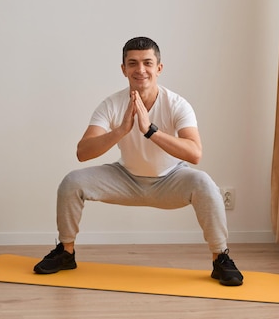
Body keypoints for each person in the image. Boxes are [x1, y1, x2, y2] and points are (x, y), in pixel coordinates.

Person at [33, 36, 243, 286]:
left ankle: (221, 257)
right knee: (72, 182)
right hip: (126, 179)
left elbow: (194, 153)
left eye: (147, 63)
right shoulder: (111, 104)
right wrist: (121, 130)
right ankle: (66, 252)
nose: (140, 70)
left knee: (205, 184)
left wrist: (150, 130)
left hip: (171, 180)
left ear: (159, 68)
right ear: (123, 69)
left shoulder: (177, 104)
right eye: (132, 63)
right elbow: (83, 152)